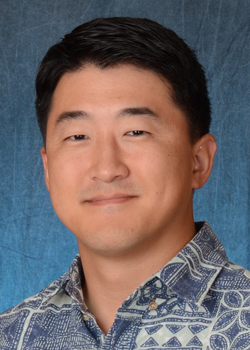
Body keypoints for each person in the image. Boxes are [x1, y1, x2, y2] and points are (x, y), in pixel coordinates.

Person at [1, 17, 250, 350]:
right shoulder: (11, 335)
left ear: (199, 160)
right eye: (77, 136)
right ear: (47, 168)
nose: (106, 169)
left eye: (135, 132)